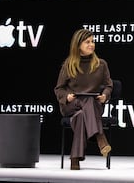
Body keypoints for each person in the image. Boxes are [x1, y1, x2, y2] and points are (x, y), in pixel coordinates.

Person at [54, 28, 114, 170]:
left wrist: (105, 96)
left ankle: (75, 158)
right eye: (87, 42)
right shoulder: (69, 65)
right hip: (72, 104)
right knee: (86, 101)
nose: (91, 44)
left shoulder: (101, 64)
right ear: (78, 45)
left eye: (93, 41)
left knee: (82, 114)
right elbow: (59, 89)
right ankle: (99, 136)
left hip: (93, 106)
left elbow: (109, 85)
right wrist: (66, 97)